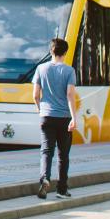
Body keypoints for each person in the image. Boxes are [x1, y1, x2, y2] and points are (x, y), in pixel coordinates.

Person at [33, 37, 80, 200]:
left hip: (46, 116)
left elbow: (35, 95)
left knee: (46, 151)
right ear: (65, 53)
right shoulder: (69, 71)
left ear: (51, 51)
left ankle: (45, 178)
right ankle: (61, 189)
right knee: (63, 155)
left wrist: (40, 109)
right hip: (64, 118)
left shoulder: (40, 68)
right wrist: (74, 118)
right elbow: (69, 95)